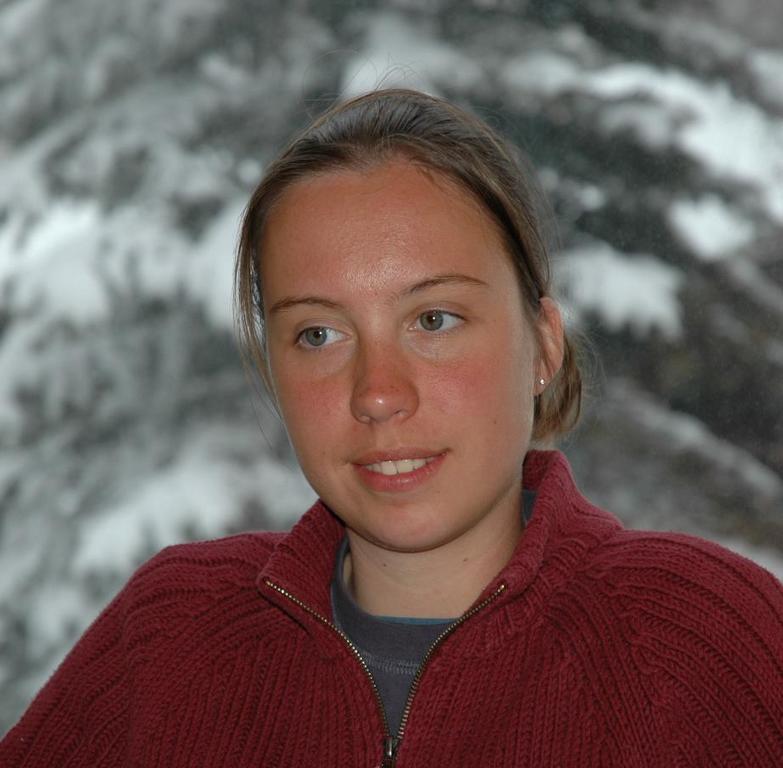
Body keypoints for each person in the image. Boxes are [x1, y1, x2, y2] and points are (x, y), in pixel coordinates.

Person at [2, 88, 782, 768]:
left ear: (542, 344)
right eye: (317, 335)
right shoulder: (172, 637)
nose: (377, 394)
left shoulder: (698, 642)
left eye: (433, 320)